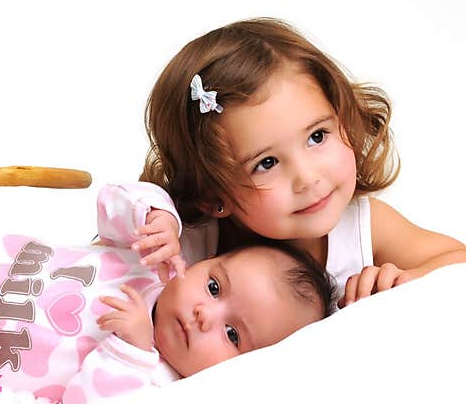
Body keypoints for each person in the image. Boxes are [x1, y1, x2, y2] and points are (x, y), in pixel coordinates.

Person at [0, 182, 334, 404]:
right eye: (214, 287)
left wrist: (130, 352)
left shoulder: (158, 384)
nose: (202, 314)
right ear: (202, 263)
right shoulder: (154, 262)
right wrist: (156, 217)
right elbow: (110, 201)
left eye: (233, 334)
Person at [139, 17, 466, 309]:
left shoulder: (362, 227)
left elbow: (457, 261)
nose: (308, 178)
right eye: (266, 163)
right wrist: (152, 219)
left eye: (317, 136)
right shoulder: (196, 248)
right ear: (212, 196)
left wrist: (406, 279)